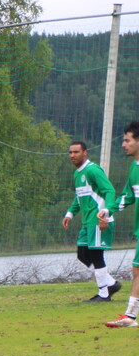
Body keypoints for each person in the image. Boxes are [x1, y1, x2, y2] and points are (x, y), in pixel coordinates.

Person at [63, 140, 120, 303]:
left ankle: (104, 294)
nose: (72, 155)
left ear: (85, 153)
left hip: (98, 220)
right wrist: (70, 213)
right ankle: (111, 283)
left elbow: (110, 191)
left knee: (95, 255)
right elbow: (79, 197)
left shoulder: (93, 170)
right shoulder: (77, 174)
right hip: (87, 222)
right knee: (82, 254)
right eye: (70, 152)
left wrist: (106, 214)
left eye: (76, 152)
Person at [103, 121, 139, 326]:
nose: (123, 144)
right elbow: (127, 196)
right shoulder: (134, 168)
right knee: (138, 270)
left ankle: (130, 316)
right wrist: (108, 210)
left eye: (127, 140)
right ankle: (130, 316)